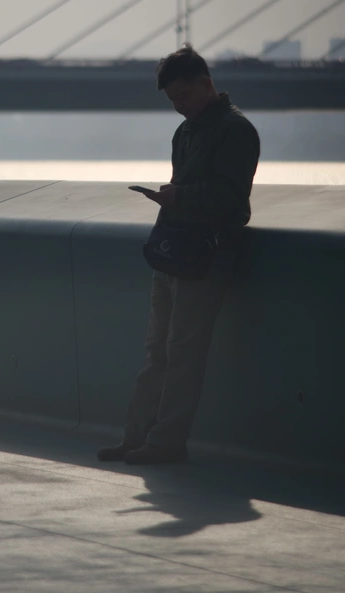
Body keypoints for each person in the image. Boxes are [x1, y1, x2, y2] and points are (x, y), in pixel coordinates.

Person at [98, 43, 260, 465]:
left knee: (184, 352)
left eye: (183, 96)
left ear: (206, 83)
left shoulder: (235, 130)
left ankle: (166, 442)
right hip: (173, 249)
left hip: (204, 256)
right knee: (157, 350)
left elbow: (232, 199)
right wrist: (176, 199)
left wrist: (178, 197)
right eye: (172, 100)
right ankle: (136, 437)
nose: (178, 106)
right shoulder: (186, 131)